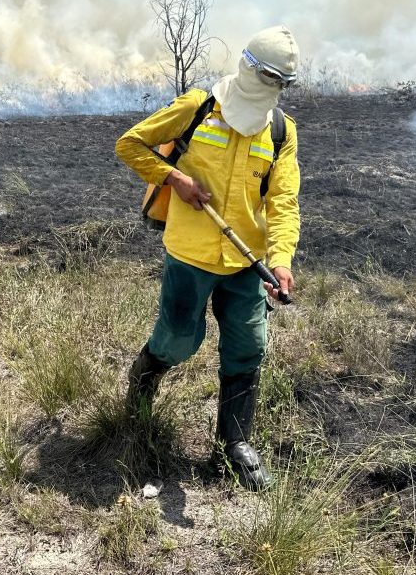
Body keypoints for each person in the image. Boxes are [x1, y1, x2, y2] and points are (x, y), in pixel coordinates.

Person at [114, 26, 301, 491]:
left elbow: (283, 203)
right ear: (245, 68)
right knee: (178, 340)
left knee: (248, 346)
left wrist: (280, 262)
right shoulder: (197, 106)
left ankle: (234, 443)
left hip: (245, 264)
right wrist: (174, 177)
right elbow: (130, 144)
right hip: (190, 256)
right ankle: (143, 379)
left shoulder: (280, 131)